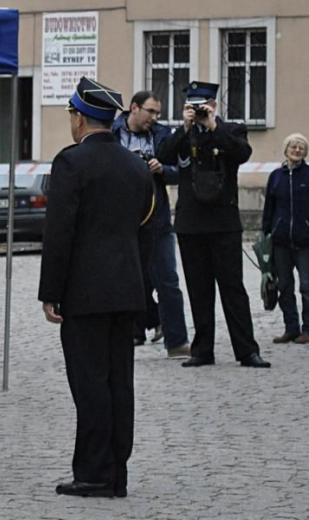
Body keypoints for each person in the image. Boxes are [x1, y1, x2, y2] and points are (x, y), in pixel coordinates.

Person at [39, 77, 154, 498]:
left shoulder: (71, 163)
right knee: (120, 383)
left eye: (71, 114)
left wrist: (50, 292)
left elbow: (60, 234)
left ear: (80, 117)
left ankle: (93, 472)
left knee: (89, 385)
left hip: (85, 292)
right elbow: (146, 231)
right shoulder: (136, 165)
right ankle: (117, 470)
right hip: (126, 289)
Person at [157, 81, 271, 368]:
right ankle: (202, 350)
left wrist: (212, 127)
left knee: (232, 288)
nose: (197, 111)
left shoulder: (230, 130)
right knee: (198, 289)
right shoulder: (181, 135)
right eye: (192, 106)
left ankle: (247, 350)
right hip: (191, 222)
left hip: (223, 221)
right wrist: (184, 128)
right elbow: (163, 155)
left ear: (214, 105)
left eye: (202, 105)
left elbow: (242, 153)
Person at [112, 91, 191, 357]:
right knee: (121, 282)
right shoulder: (113, 133)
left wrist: (162, 170)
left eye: (158, 113)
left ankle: (177, 342)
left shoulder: (162, 136)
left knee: (168, 281)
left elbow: (182, 172)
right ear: (134, 108)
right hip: (121, 221)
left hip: (156, 219)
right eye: (151, 112)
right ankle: (122, 339)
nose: (155, 118)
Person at [262, 133, 309, 344]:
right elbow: (269, 207)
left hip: (305, 240)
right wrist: (266, 232)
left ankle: (307, 329)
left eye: (301, 147)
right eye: (293, 146)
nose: (297, 150)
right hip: (280, 241)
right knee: (284, 287)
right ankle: (291, 327)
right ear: (286, 149)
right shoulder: (275, 176)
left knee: (307, 286)